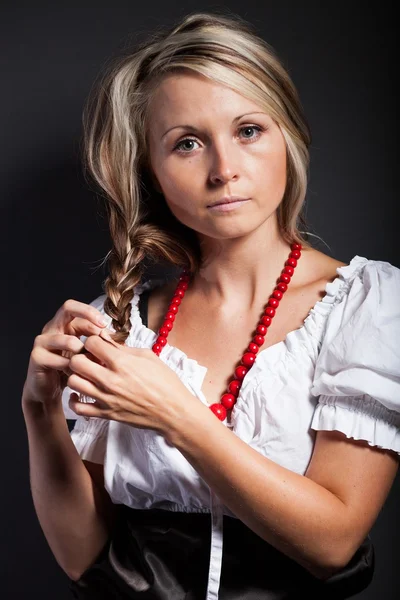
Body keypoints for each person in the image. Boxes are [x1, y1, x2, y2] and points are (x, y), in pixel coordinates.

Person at [21, 10, 400, 600]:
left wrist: (178, 414)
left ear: (288, 137)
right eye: (188, 143)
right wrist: (39, 411)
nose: (224, 170)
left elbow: (334, 543)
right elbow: (83, 557)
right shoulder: (121, 324)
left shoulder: (365, 306)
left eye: (248, 130)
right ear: (152, 170)